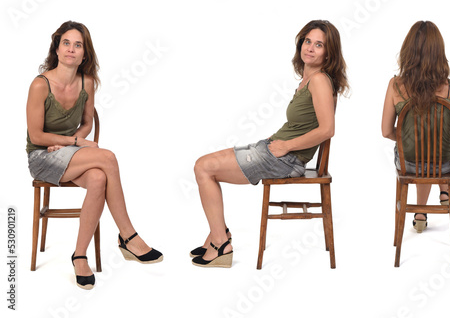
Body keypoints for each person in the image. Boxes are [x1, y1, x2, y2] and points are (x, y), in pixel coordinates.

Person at [191, 20, 349, 268]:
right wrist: (276, 141)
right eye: (308, 41)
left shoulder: (319, 80)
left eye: (319, 45)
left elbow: (327, 129)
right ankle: (218, 235)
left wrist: (286, 146)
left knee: (203, 168)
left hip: (286, 160)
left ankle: (221, 244)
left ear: (328, 53)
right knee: (203, 165)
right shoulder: (308, 79)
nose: (310, 48)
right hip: (275, 150)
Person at [26, 21, 163, 290]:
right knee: (107, 158)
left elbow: (87, 122)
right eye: (66, 43)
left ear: (85, 53)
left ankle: (79, 256)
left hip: (69, 153)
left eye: (78, 45)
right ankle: (128, 236)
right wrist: (73, 141)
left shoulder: (87, 82)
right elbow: (37, 136)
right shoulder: (40, 85)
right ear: (56, 47)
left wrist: (71, 145)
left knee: (99, 177)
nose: (71, 49)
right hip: (42, 158)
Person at [381, 21, 450, 233]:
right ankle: (445, 192)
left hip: (408, 164)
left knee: (421, 153)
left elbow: (386, 131)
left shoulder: (395, 85)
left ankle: (420, 212)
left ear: (407, 51)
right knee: (434, 152)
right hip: (444, 166)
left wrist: (407, 139)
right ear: (439, 52)